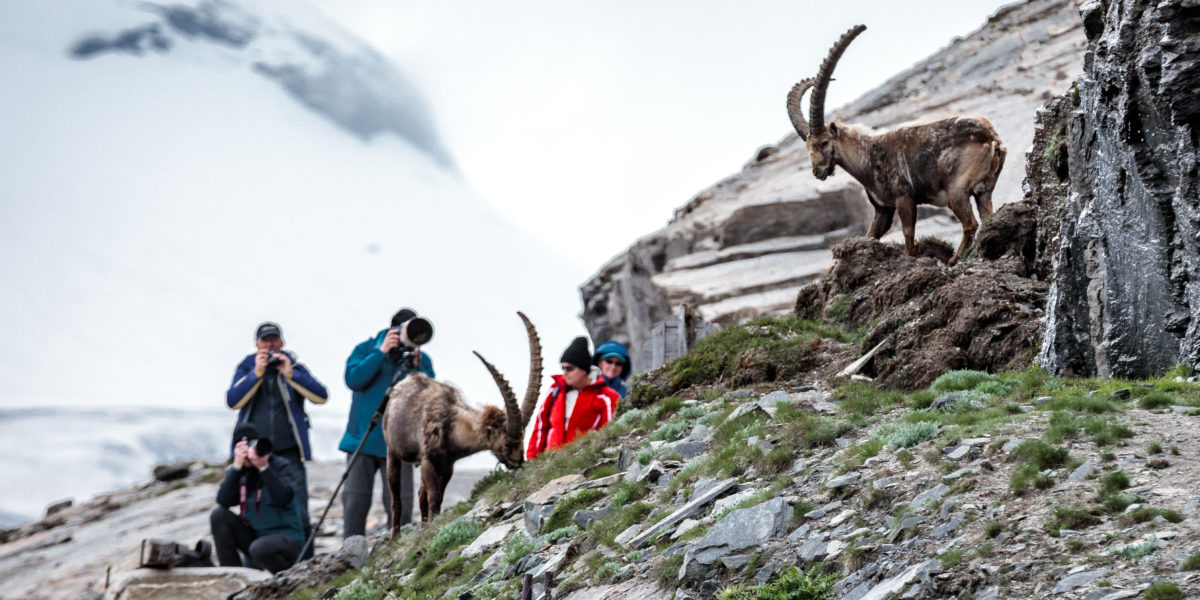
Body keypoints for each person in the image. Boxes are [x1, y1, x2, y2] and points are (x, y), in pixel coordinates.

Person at [225, 321, 327, 547]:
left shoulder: (294, 367)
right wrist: (257, 373)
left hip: (290, 452)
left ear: (281, 342)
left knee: (298, 507)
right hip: (255, 453)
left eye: (274, 340)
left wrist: (291, 374)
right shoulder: (246, 368)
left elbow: (321, 396)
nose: (270, 345)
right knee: (255, 506)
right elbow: (233, 401)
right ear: (257, 344)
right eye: (265, 341)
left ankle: (304, 560)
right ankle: (257, 557)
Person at [340, 308, 435, 537]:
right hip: (362, 440)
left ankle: (396, 552)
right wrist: (381, 353)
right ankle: (349, 553)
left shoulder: (419, 360)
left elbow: (429, 395)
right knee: (355, 501)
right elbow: (353, 379)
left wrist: (416, 368)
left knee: (400, 504)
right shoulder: (367, 349)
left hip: (399, 444)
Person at [210, 423, 305, 573]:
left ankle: (285, 581)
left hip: (287, 540)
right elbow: (224, 501)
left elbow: (285, 497)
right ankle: (231, 574)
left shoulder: (279, 466)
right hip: (255, 539)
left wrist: (263, 468)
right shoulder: (240, 472)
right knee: (218, 515)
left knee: (259, 548)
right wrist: (236, 467)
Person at [525, 336, 620, 461]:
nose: (565, 373)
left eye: (569, 368)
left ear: (584, 369)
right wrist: (532, 463)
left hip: (581, 463)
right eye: (562, 368)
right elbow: (540, 428)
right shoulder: (555, 391)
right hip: (548, 465)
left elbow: (610, 433)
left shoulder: (607, 397)